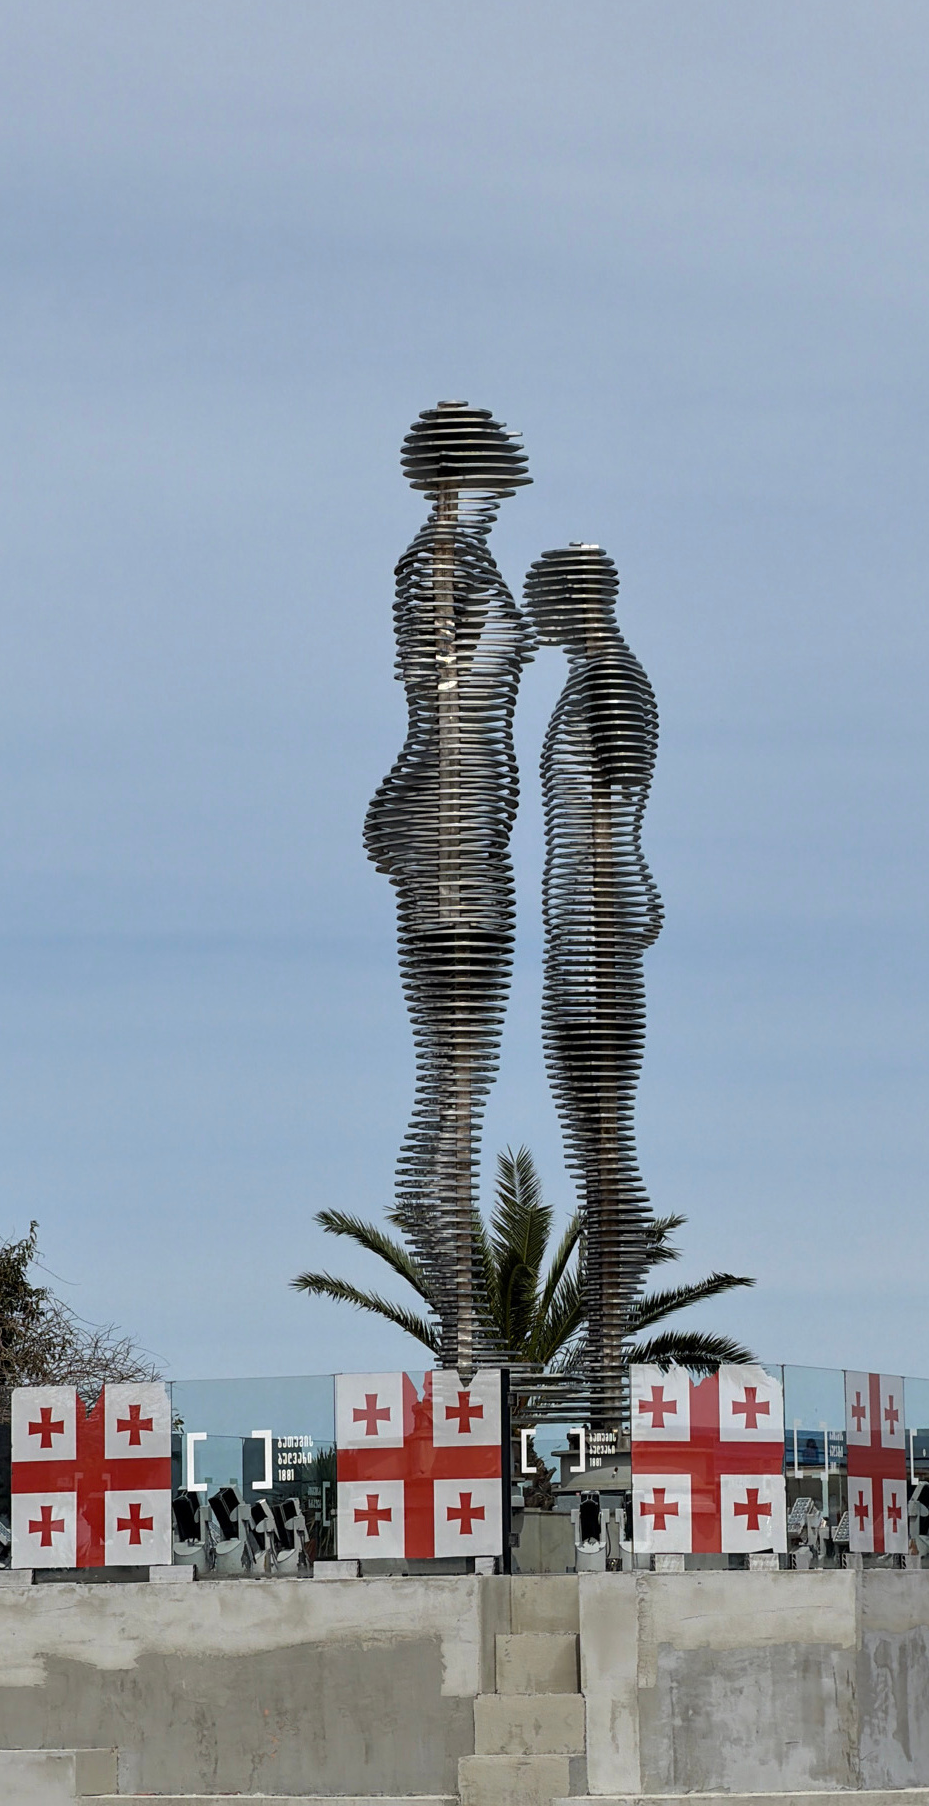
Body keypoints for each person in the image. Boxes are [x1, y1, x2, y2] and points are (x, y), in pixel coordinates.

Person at [365, 403, 535, 1371]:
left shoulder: (459, 566)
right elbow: (435, 706)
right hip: (453, 866)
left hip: (468, 857)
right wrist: (403, 816)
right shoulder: (438, 567)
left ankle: (467, 1327)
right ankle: (467, 1331)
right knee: (456, 1104)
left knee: (457, 1097)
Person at [525, 544, 662, 1428]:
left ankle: (607, 1360)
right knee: (597, 1149)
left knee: (606, 1151)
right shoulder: (592, 680)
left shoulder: (610, 680)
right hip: (583, 933)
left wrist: (610, 924)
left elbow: (620, 814)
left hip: (596, 940)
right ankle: (603, 1355)